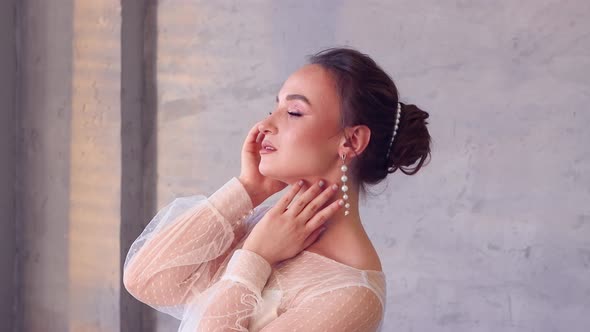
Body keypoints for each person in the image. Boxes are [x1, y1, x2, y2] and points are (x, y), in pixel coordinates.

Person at [123, 47, 431, 331]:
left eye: (294, 111)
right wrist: (248, 190)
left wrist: (255, 256)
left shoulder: (351, 295)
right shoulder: (267, 225)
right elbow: (145, 280)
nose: (265, 124)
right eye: (275, 106)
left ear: (351, 141)